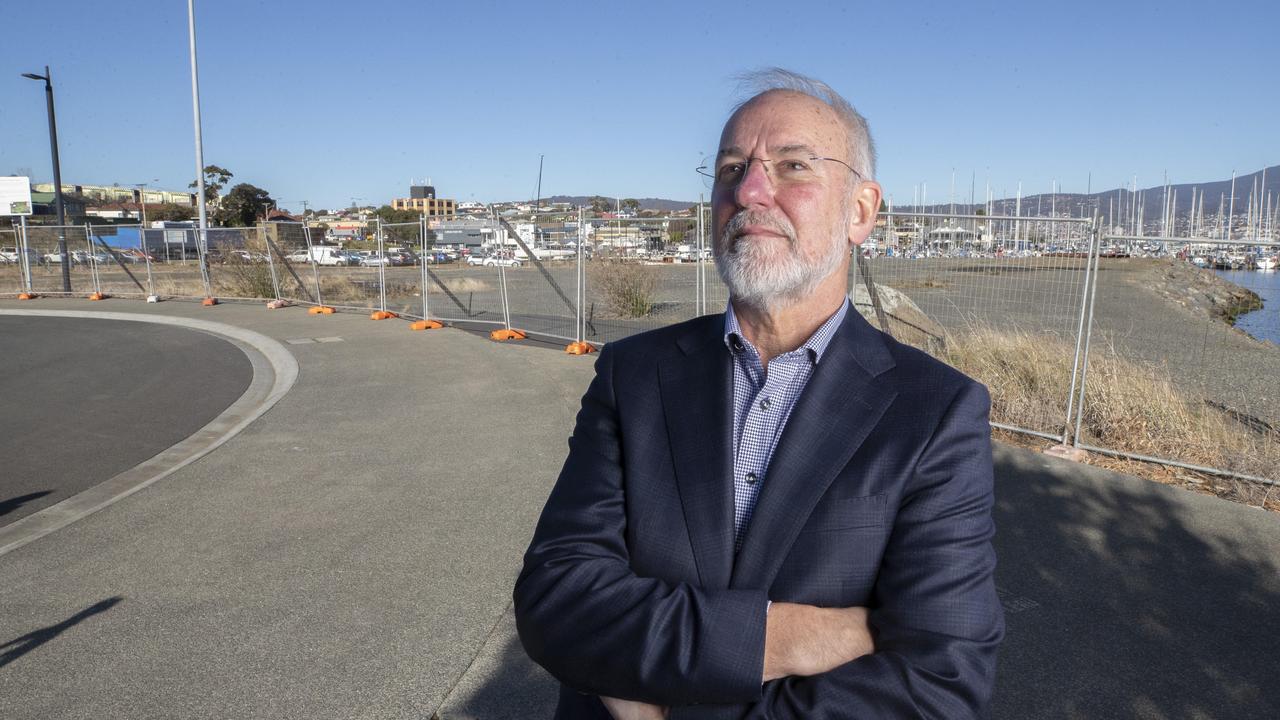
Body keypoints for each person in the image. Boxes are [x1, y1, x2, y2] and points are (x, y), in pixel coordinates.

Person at [514, 68, 1003, 719]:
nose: (748, 191)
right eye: (730, 170)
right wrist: (778, 640)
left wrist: (656, 691)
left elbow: (939, 683)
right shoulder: (634, 375)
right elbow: (558, 605)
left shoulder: (935, 411)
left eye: (793, 166)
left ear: (860, 211)